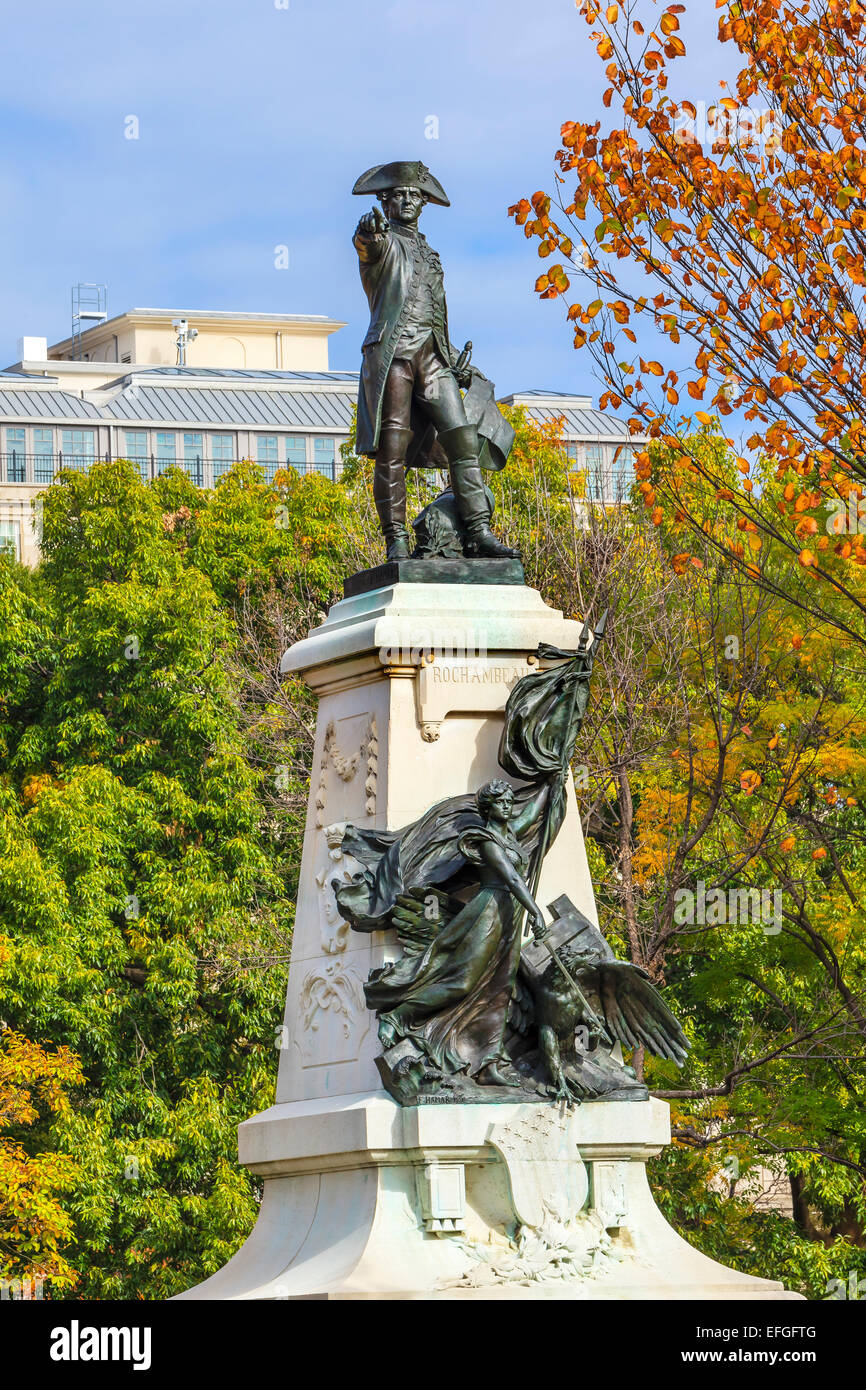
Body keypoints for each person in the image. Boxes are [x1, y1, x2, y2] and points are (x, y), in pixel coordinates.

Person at [352, 159, 519, 562]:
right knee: (393, 448)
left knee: (461, 437)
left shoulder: (430, 253)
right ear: (385, 202)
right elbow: (367, 243)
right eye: (399, 195)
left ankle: (478, 530)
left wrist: (449, 353)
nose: (408, 201)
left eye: (414, 195)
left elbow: (436, 310)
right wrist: (366, 234)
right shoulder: (382, 242)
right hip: (394, 356)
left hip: (432, 358)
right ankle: (396, 541)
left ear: (423, 202)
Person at [364, 779, 547, 1086]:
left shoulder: (512, 835)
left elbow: (529, 816)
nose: (507, 805)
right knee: (462, 981)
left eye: (508, 801)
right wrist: (535, 910)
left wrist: (551, 786)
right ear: (488, 809)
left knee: (500, 990)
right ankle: (399, 1015)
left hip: (511, 917)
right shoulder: (486, 841)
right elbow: (513, 880)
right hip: (489, 911)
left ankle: (488, 1063)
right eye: (500, 802)